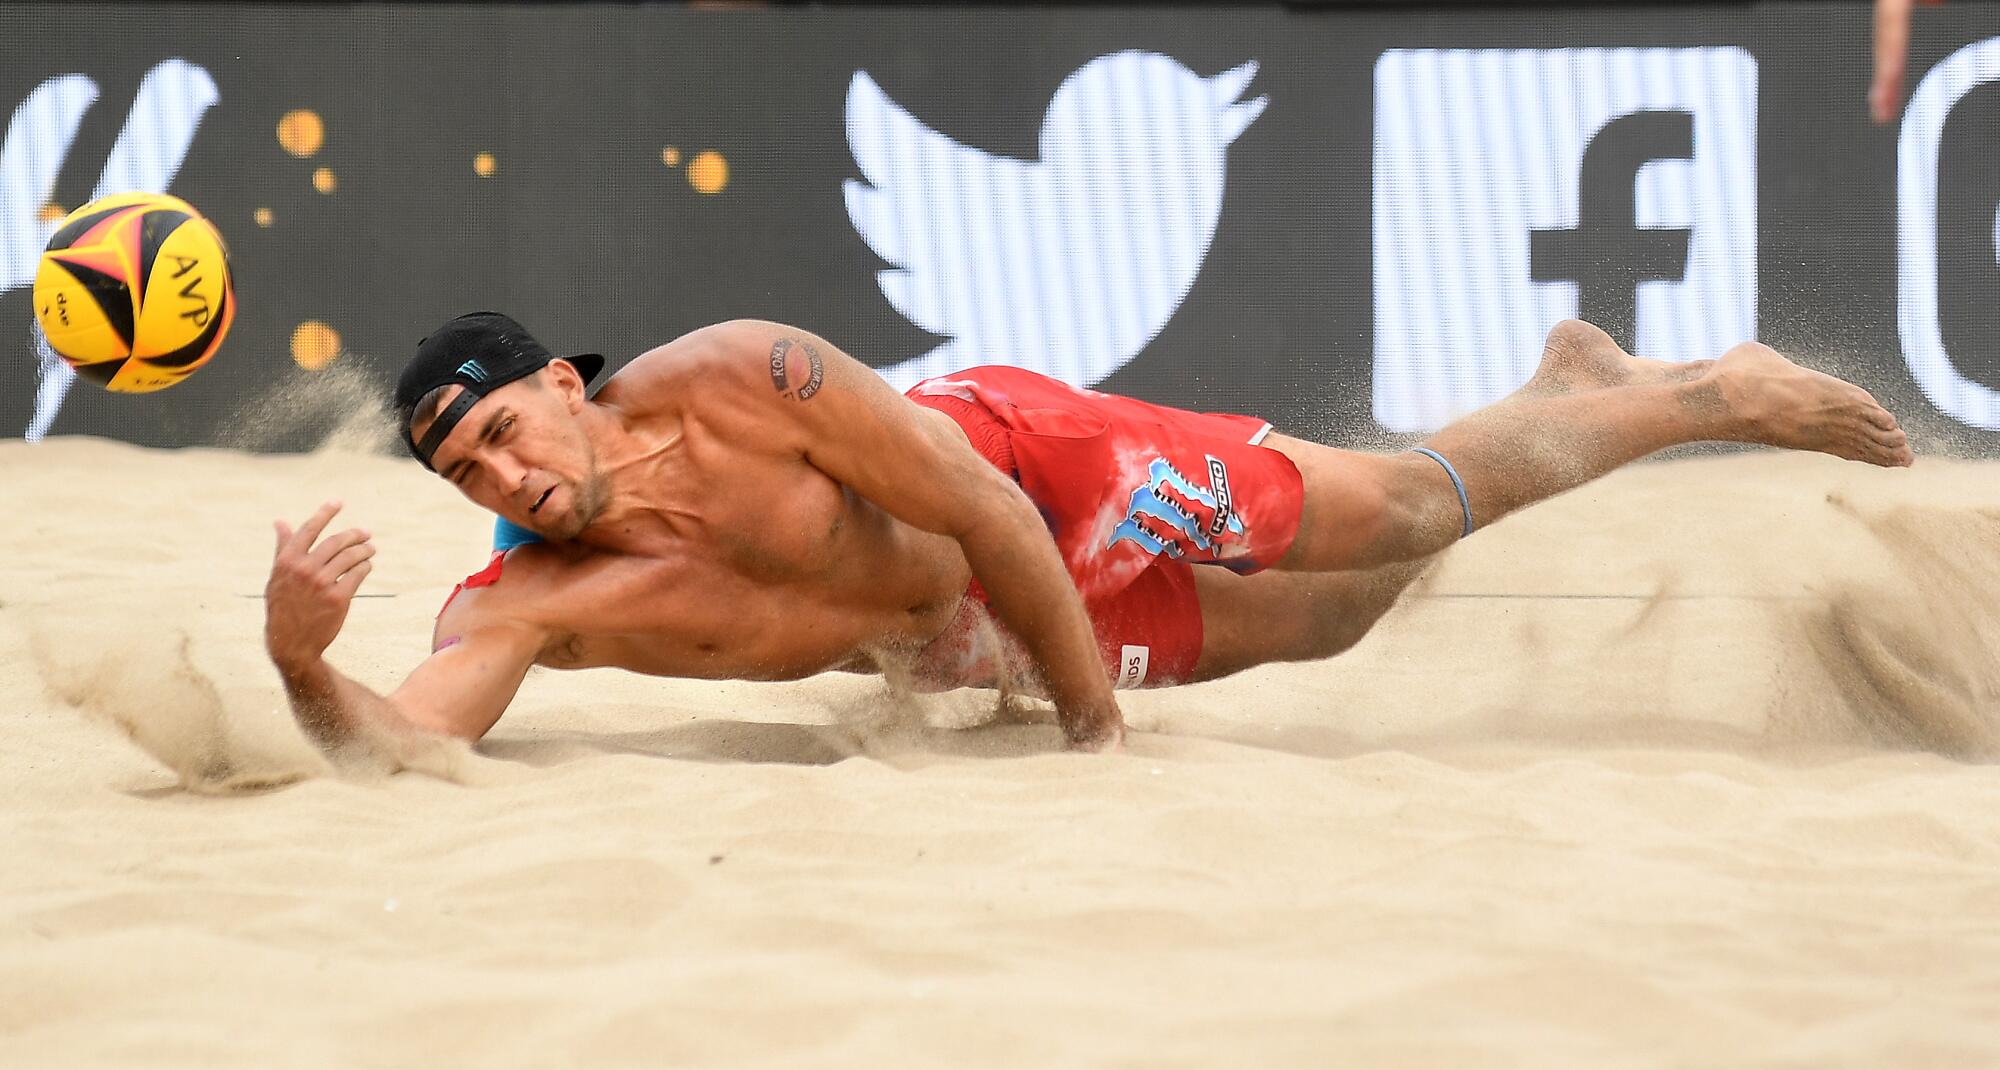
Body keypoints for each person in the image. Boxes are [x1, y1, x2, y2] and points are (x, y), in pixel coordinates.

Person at [264, 313, 1911, 757]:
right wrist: (296, 663)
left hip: (1037, 472)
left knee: (1392, 508)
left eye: (498, 429)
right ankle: (1573, 389)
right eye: (466, 476)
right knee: (1341, 617)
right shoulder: (527, 600)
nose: (501, 477)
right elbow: (401, 742)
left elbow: (977, 504)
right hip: (957, 623)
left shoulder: (744, 377)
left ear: (562, 381)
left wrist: (1089, 725)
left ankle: (1708, 389)